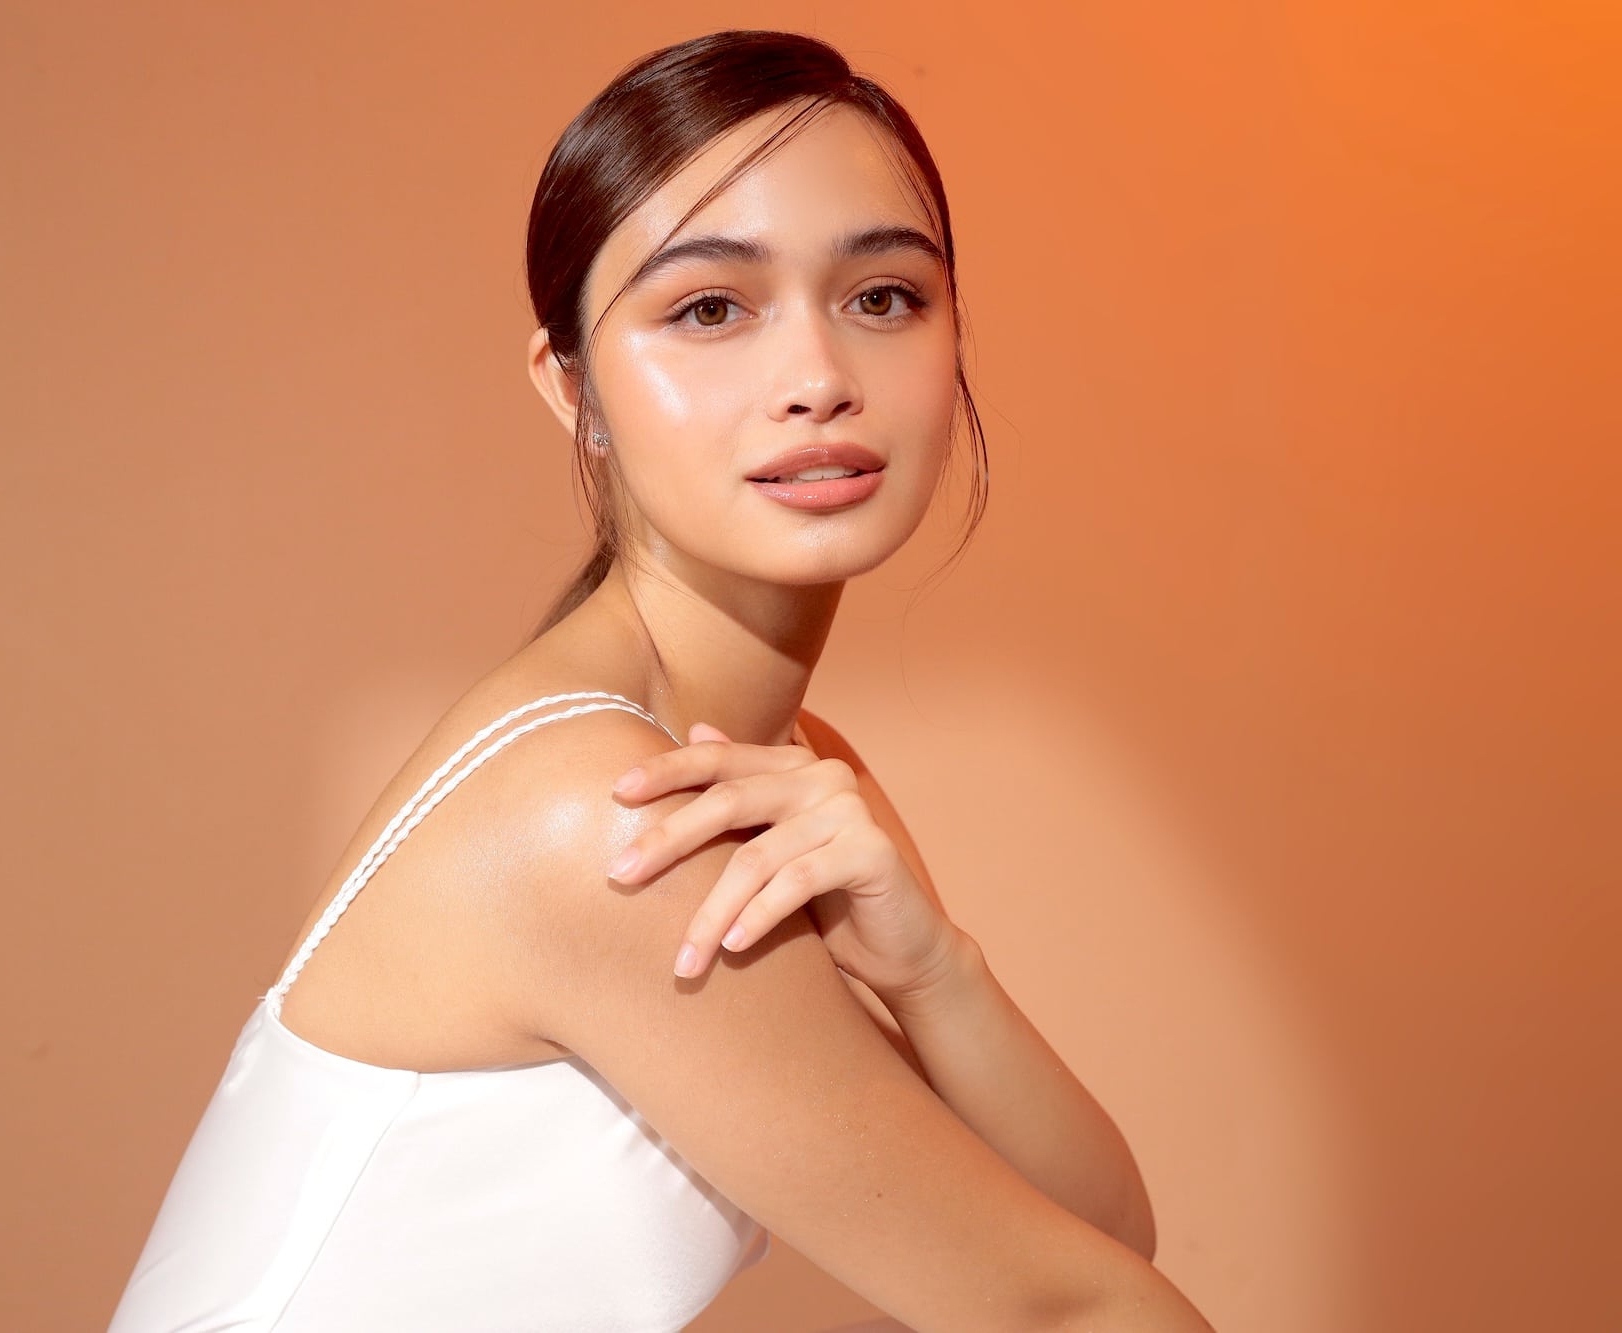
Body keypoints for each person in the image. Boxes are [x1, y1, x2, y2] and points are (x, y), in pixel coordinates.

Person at [107, 28, 1217, 1333]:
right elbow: (1075, 1311)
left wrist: (934, 968)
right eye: (709, 310)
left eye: (883, 297)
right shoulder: (606, 815)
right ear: (573, 390)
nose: (818, 380)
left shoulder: (778, 772)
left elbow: (1094, 1240)